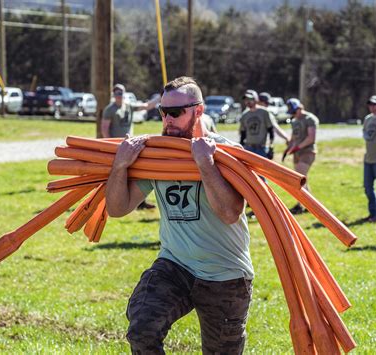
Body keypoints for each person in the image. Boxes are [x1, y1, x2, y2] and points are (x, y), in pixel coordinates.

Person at [105, 76, 254, 354]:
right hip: (176, 265)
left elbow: (230, 213)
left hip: (225, 274)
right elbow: (117, 209)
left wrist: (205, 163)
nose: (167, 119)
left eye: (175, 112)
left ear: (198, 111)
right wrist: (120, 166)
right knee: (142, 331)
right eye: (163, 112)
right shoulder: (156, 156)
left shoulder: (227, 154)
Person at [102, 83, 159, 209]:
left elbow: (146, 106)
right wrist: (109, 145)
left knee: (136, 173)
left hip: (130, 146)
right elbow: (104, 128)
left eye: (121, 93)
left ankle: (139, 202)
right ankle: (114, 201)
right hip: (117, 147)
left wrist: (159, 97)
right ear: (113, 94)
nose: (119, 96)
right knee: (119, 175)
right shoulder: (110, 109)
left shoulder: (129, 106)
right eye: (117, 93)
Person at [285, 98, 319, 214]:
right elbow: (294, 137)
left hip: (307, 151)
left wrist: (298, 147)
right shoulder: (294, 121)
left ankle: (306, 205)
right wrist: (289, 147)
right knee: (302, 180)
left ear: (300, 108)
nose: (293, 115)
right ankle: (307, 205)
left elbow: (311, 138)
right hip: (297, 153)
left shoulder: (310, 119)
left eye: (294, 112)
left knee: (299, 179)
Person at [239, 90, 289, 160]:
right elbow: (242, 133)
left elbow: (272, 129)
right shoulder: (244, 115)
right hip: (248, 147)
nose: (248, 102)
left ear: (256, 99)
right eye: (246, 100)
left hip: (261, 148)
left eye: (250, 99)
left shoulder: (264, 112)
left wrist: (271, 147)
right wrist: (241, 146)